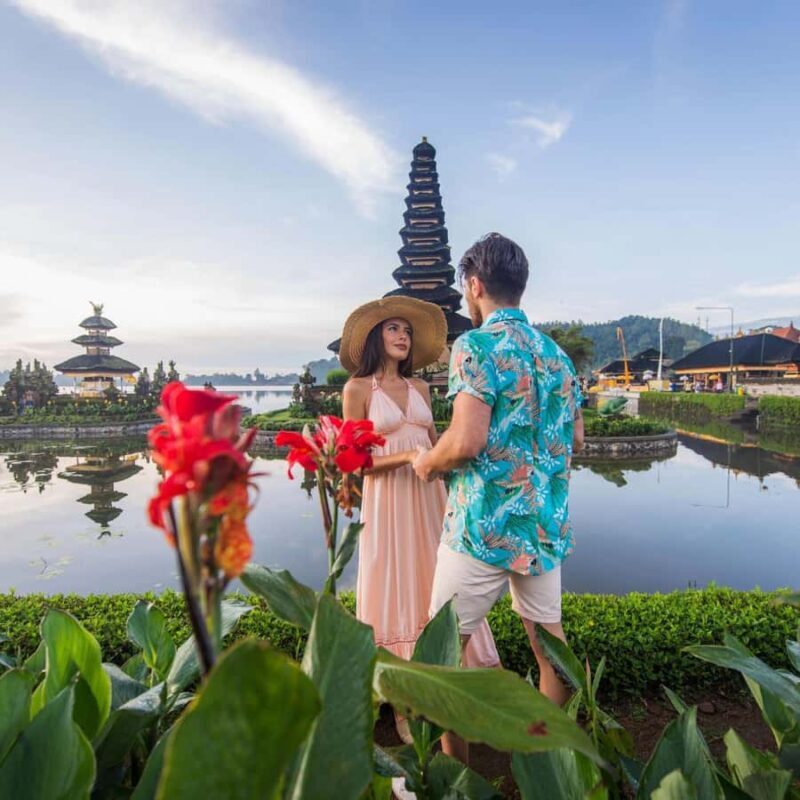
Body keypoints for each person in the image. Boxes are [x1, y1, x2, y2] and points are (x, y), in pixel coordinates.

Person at [414, 233, 584, 764]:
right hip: (542, 528)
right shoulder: (558, 357)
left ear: (474, 284)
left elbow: (465, 442)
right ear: (520, 285)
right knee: (549, 656)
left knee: (443, 656)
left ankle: (456, 775)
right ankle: (540, 766)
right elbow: (576, 440)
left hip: (481, 527)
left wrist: (426, 462)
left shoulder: (476, 346)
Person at [339, 296, 501, 742]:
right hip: (388, 503)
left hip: (429, 500)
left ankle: (450, 683)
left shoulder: (422, 390)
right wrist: (407, 454)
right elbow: (355, 463)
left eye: (407, 332)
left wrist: (460, 488)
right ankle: (403, 701)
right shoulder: (357, 390)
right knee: (390, 579)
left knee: (438, 580)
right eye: (393, 329)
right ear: (376, 337)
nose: (402, 337)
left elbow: (437, 446)